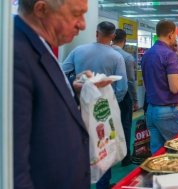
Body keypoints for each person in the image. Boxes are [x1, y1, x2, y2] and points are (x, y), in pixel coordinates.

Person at [13, 0, 108, 189]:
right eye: (76, 14)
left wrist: (73, 87)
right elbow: (13, 163)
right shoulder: (16, 54)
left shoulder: (41, 44)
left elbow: (40, 97)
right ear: (41, 9)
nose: (83, 24)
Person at [62, 21, 128, 189]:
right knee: (104, 146)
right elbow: (123, 87)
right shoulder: (116, 56)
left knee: (80, 146)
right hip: (104, 111)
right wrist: (112, 103)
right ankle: (102, 184)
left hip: (80, 106)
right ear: (113, 36)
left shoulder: (79, 51)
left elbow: (62, 71)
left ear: (96, 33)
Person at [141, 20, 178, 153]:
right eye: (175, 35)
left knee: (158, 153)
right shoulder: (169, 54)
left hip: (151, 110)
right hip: (169, 110)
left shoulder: (147, 54)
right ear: (170, 34)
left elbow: (146, 83)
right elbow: (175, 88)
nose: (175, 38)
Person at [111, 28, 138, 166]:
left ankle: (109, 156)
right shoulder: (127, 57)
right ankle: (125, 157)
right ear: (125, 40)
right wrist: (135, 100)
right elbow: (130, 81)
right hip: (123, 96)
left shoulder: (105, 53)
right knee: (125, 126)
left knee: (107, 128)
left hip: (104, 96)